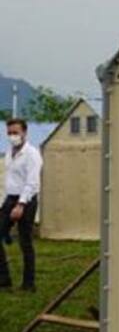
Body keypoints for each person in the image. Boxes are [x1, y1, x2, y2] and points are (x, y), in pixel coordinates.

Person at [1, 117, 42, 292]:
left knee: (25, 242)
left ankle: (28, 283)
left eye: (15, 132)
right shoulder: (9, 152)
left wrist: (21, 204)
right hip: (10, 198)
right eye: (9, 133)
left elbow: (32, 182)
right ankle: (4, 279)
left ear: (24, 132)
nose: (12, 136)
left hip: (26, 200)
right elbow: (11, 180)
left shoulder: (32, 154)